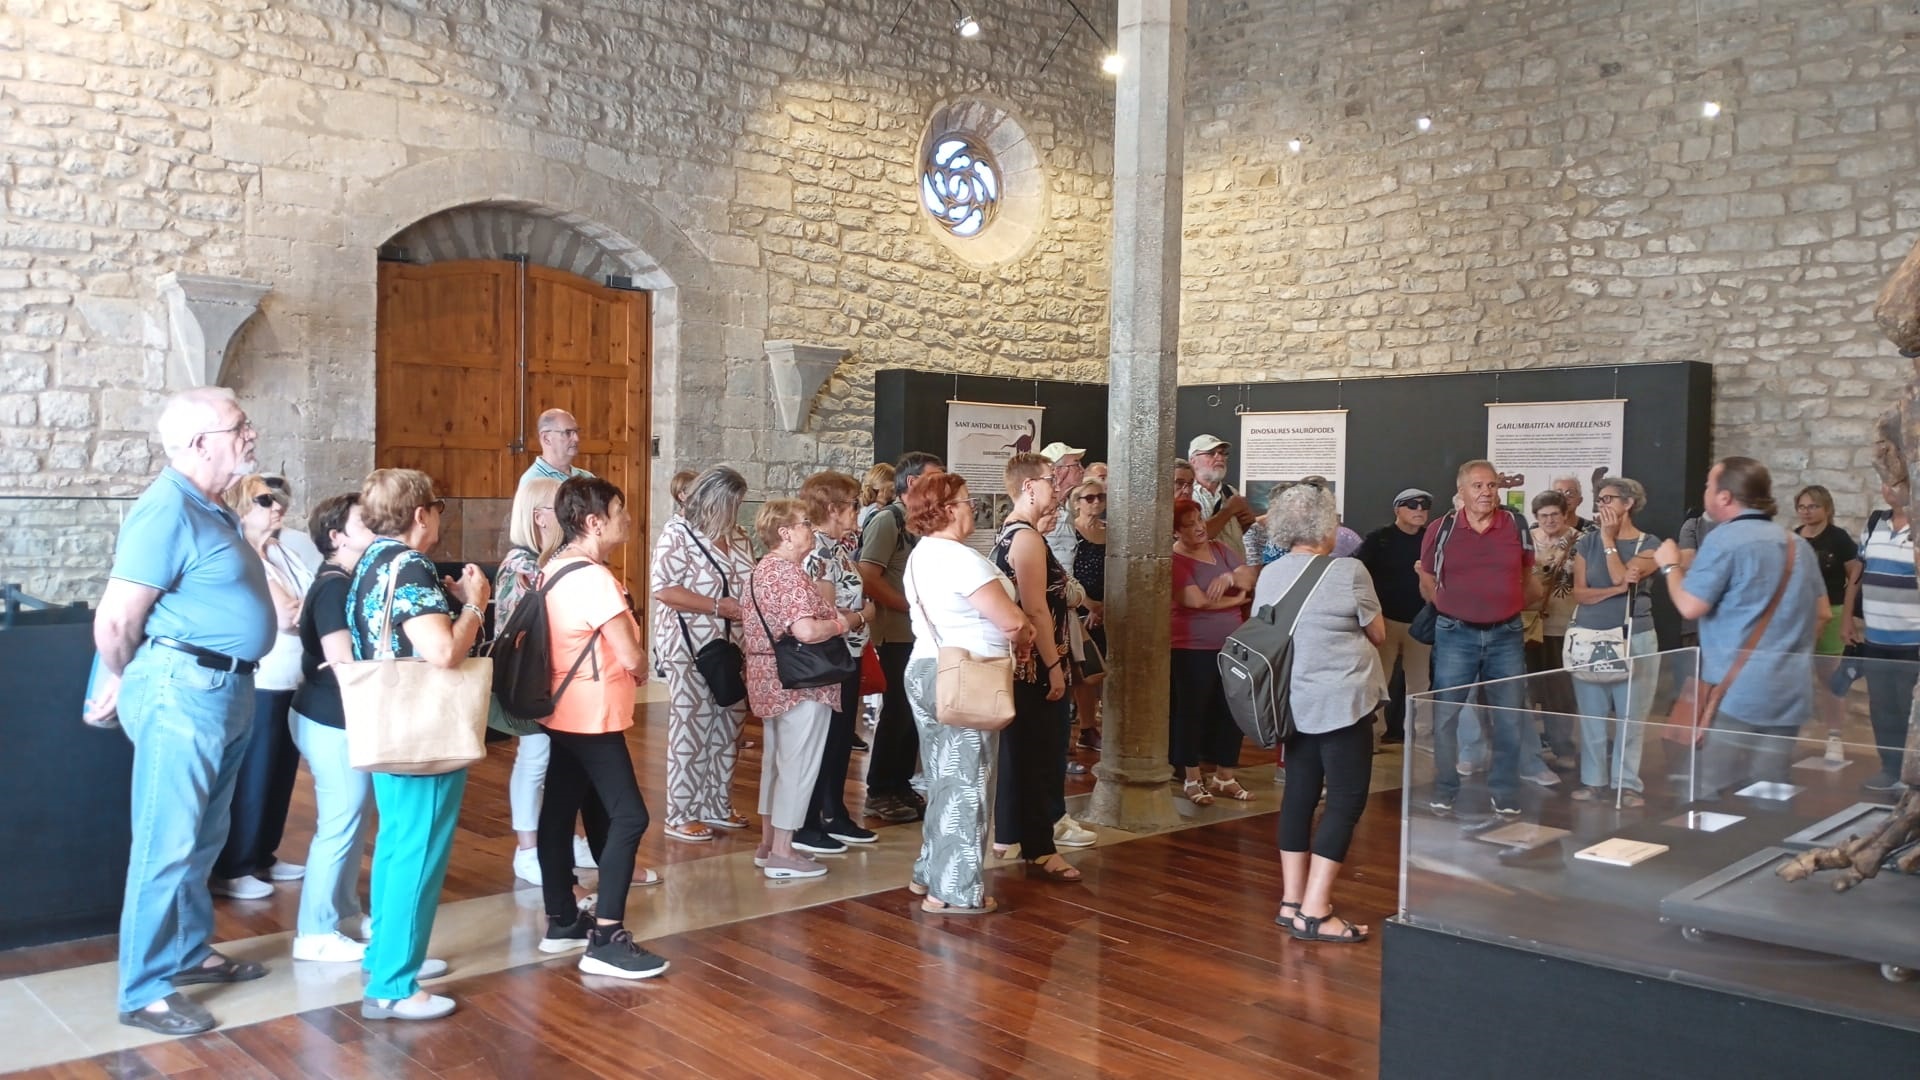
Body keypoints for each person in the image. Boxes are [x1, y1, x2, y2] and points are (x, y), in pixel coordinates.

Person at [88, 388, 275, 1036]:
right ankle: (143, 990)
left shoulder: (213, 507)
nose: (251, 434)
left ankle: (188, 953)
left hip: (224, 691)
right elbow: (116, 617)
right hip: (182, 693)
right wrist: (122, 674)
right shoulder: (164, 508)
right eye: (240, 425)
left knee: (201, 839)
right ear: (200, 443)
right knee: (165, 844)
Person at [348, 468, 491, 1021]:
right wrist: (475, 603)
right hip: (421, 729)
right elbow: (440, 653)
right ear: (419, 515)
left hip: (387, 721)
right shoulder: (410, 565)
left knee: (395, 845)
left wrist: (450, 602)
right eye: (437, 508)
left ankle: (387, 954)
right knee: (418, 852)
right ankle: (393, 984)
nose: (438, 518)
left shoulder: (370, 563)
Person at [531, 477, 669, 979]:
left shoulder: (555, 568)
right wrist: (637, 664)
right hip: (592, 714)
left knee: (561, 809)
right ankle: (607, 938)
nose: (627, 518)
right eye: (620, 509)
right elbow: (632, 656)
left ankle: (562, 918)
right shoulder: (594, 579)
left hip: (562, 709)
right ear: (594, 522)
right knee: (630, 817)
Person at [1254, 483, 1385, 945]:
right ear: (1327, 525)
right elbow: (1379, 633)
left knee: (1299, 796)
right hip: (1342, 701)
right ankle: (1316, 909)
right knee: (1346, 800)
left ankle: (1291, 902)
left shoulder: (1270, 574)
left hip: (1292, 701)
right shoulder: (1349, 571)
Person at [901, 473, 1033, 914]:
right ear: (949, 508)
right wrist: (1027, 631)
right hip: (968, 674)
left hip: (926, 667)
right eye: (967, 499)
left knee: (943, 779)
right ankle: (952, 889)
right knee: (968, 784)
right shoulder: (961, 560)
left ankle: (929, 873)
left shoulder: (921, 556)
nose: (973, 506)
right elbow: (1011, 621)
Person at [1655, 458, 1824, 799]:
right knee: (1770, 789)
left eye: (1708, 485)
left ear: (1725, 497)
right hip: (1789, 689)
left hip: (1736, 695)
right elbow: (1822, 613)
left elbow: (1689, 605)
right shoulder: (1797, 545)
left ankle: (1718, 852)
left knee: (1707, 789)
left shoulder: (1724, 541)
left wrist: (1670, 565)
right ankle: (1769, 851)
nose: (1705, 492)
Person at [208, 473, 315, 899]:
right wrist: (309, 608)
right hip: (264, 677)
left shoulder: (283, 550)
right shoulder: (242, 554)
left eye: (277, 499)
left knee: (281, 770)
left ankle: (264, 853)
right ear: (239, 509)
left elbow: (311, 598)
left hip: (294, 675)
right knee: (253, 773)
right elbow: (289, 613)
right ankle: (236, 864)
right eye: (264, 501)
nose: (277, 506)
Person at [1419, 460, 1540, 816]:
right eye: (1477, 486)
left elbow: (1528, 575)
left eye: (1491, 485)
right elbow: (1427, 577)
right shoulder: (1441, 529)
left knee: (1509, 716)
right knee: (1446, 716)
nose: (1486, 492)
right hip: (1455, 633)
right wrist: (1449, 606)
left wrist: (1507, 604)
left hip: (1506, 632)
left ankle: (1504, 790)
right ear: (1461, 492)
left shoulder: (1515, 524)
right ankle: (1445, 787)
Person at [496, 477, 599, 887]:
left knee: (561, 762)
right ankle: (527, 848)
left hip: (559, 678)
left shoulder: (550, 560)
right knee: (535, 758)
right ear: (539, 516)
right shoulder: (522, 564)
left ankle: (568, 838)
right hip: (532, 680)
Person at [288, 494, 377, 964]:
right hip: (330, 717)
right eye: (364, 521)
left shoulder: (345, 581)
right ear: (337, 536)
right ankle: (314, 931)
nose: (376, 525)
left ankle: (342, 913)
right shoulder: (335, 586)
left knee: (353, 819)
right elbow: (342, 661)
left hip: (335, 716)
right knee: (339, 824)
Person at [744, 498, 853, 879]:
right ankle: (783, 852)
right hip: (800, 681)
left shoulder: (762, 570)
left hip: (769, 676)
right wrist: (841, 624)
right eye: (805, 522)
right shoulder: (787, 574)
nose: (811, 528)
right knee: (798, 763)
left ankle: (768, 842)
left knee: (776, 763)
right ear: (785, 533)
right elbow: (805, 630)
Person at [649, 466, 756, 842]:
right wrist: (717, 607)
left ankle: (716, 802)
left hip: (733, 646)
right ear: (714, 502)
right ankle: (681, 813)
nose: (738, 511)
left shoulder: (738, 537)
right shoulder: (677, 535)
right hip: (689, 645)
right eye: (733, 503)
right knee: (691, 726)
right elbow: (663, 589)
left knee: (730, 721)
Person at [989, 454, 1082, 882]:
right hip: (1035, 665)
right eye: (1050, 480)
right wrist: (1055, 665)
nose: (1057, 487)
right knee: (1041, 755)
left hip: (1030, 663)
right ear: (1028, 487)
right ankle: (1041, 848)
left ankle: (1014, 835)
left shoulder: (1016, 534)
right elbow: (1037, 610)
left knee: (1024, 753)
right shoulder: (1024, 538)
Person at [858, 451, 945, 824]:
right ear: (912, 483)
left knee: (914, 711)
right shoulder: (886, 521)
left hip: (918, 635)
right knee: (897, 711)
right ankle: (880, 790)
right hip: (894, 635)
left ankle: (900, 784)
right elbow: (867, 574)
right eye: (936, 477)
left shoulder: (920, 524)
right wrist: (912, 607)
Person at [796, 470, 880, 854]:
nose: (856, 513)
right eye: (852, 505)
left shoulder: (837, 546)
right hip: (828, 657)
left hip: (848, 653)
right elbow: (823, 610)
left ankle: (835, 810)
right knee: (823, 739)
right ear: (832, 508)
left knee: (840, 738)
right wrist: (863, 616)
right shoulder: (816, 550)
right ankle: (808, 819)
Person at [1566, 477, 1661, 806]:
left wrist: (1608, 540)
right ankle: (1593, 781)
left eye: (1608, 499)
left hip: (1635, 638)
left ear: (1628, 504)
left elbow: (1624, 574)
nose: (1601, 505)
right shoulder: (1584, 543)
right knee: (1591, 715)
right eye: (1600, 499)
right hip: (1590, 637)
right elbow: (1580, 592)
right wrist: (1614, 591)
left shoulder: (1650, 544)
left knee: (1631, 715)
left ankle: (1627, 783)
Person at [1170, 496, 1259, 805]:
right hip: (1192, 648)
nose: (1198, 528)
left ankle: (1225, 775)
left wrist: (1231, 577)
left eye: (1199, 521)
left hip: (1230, 646)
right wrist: (1237, 600)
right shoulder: (1176, 561)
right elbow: (1196, 601)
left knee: (1232, 709)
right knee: (1192, 712)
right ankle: (1192, 777)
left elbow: (1251, 576)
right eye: (1189, 525)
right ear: (1176, 532)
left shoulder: (1221, 550)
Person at [1847, 483, 1920, 792]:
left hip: (1912, 641)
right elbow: (1857, 573)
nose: (1889, 488)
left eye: (1897, 482)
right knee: (1882, 707)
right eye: (1886, 482)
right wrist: (1848, 616)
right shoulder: (1876, 521)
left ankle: (1911, 774)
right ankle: (1889, 768)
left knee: (1908, 708)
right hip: (1877, 638)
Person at [1358, 488, 1431, 746]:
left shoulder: (1431, 539)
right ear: (1397, 509)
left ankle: (1421, 736)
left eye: (1424, 506)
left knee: (1420, 682)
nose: (1419, 510)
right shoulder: (1380, 539)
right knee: (1379, 681)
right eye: (1412, 505)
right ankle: (1373, 736)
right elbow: (1356, 567)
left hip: (1420, 621)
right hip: (1384, 620)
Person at [1794, 485, 1861, 752]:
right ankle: (1795, 729)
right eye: (1802, 507)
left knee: (1829, 677)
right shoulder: (1794, 538)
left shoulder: (1838, 538)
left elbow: (1853, 578)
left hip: (1831, 612)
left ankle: (1834, 735)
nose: (1806, 512)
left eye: (1813, 506)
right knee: (1795, 675)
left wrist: (1847, 616)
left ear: (1826, 508)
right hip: (1799, 615)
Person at [1526, 490, 1581, 768]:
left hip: (1563, 626)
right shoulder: (1526, 540)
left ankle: (1562, 747)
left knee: (1560, 693)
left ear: (1564, 514)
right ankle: (1528, 750)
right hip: (1528, 627)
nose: (1549, 520)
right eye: (1543, 515)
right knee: (1526, 689)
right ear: (1536, 517)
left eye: (1554, 515)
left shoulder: (1579, 541)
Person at [1069, 479, 1108, 755]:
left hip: (1108, 609)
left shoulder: (1111, 532)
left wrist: (1104, 606)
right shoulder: (1069, 532)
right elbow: (1066, 573)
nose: (1096, 502)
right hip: (1079, 607)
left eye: (1100, 497)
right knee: (1083, 672)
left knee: (1100, 671)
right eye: (1089, 497)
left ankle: (1092, 727)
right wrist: (1090, 605)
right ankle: (1085, 727)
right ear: (1077, 503)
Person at [1187, 434, 1256, 560]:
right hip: (1204, 573)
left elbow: (1241, 530)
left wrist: (1248, 521)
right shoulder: (1187, 495)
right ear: (1193, 461)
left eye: (1223, 453)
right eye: (1211, 453)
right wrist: (1229, 510)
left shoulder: (1231, 492)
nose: (1219, 457)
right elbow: (1196, 536)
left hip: (1236, 571)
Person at [1037, 441, 1088, 569]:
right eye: (1076, 464)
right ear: (1058, 471)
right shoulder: (1041, 510)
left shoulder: (1067, 507)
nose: (1083, 470)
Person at [522, 408, 592, 484]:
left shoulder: (587, 478)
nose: (576, 439)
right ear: (546, 438)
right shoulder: (533, 482)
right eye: (568, 432)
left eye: (576, 431)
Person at [857, 462, 897, 530]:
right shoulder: (881, 517)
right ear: (883, 487)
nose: (895, 496)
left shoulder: (861, 512)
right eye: (892, 490)